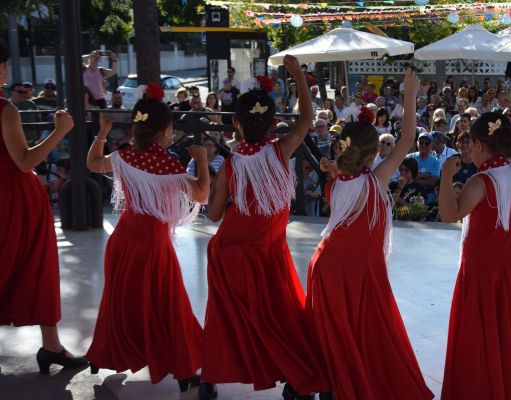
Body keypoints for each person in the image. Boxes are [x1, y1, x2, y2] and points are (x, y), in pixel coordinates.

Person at [202, 59, 328, 400]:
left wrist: (217, 186)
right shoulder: (280, 151)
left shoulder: (229, 164)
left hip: (228, 253)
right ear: (273, 124)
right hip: (266, 253)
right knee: (277, 320)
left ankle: (210, 376)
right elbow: (304, 120)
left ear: (237, 126)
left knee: (228, 319)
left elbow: (214, 215)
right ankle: (297, 378)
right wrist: (299, 76)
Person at [306, 70, 433, 400]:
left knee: (335, 333)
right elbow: (406, 139)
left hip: (328, 265)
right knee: (366, 333)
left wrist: (333, 167)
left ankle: (332, 385)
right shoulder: (374, 181)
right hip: (361, 271)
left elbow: (344, 173)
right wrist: (409, 93)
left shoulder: (338, 182)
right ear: (373, 155)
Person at [85, 83, 210, 392]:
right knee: (168, 305)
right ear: (164, 130)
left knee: (121, 300)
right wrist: (203, 161)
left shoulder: (124, 157)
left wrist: (102, 133)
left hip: (123, 241)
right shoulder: (168, 165)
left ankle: (103, 354)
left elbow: (91, 164)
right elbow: (202, 193)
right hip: (153, 246)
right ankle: (183, 370)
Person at [439, 93, 511, 400]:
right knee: (509, 331)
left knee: (481, 334)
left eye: (470, 144)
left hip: (481, 271)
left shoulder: (480, 182)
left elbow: (449, 215)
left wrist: (445, 177)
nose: (468, 150)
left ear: (479, 145)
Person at [0, 38, 87, 374]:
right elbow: (23, 162)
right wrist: (58, 131)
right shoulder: (5, 109)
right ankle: (51, 346)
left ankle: (52, 345)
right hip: (16, 201)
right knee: (37, 267)